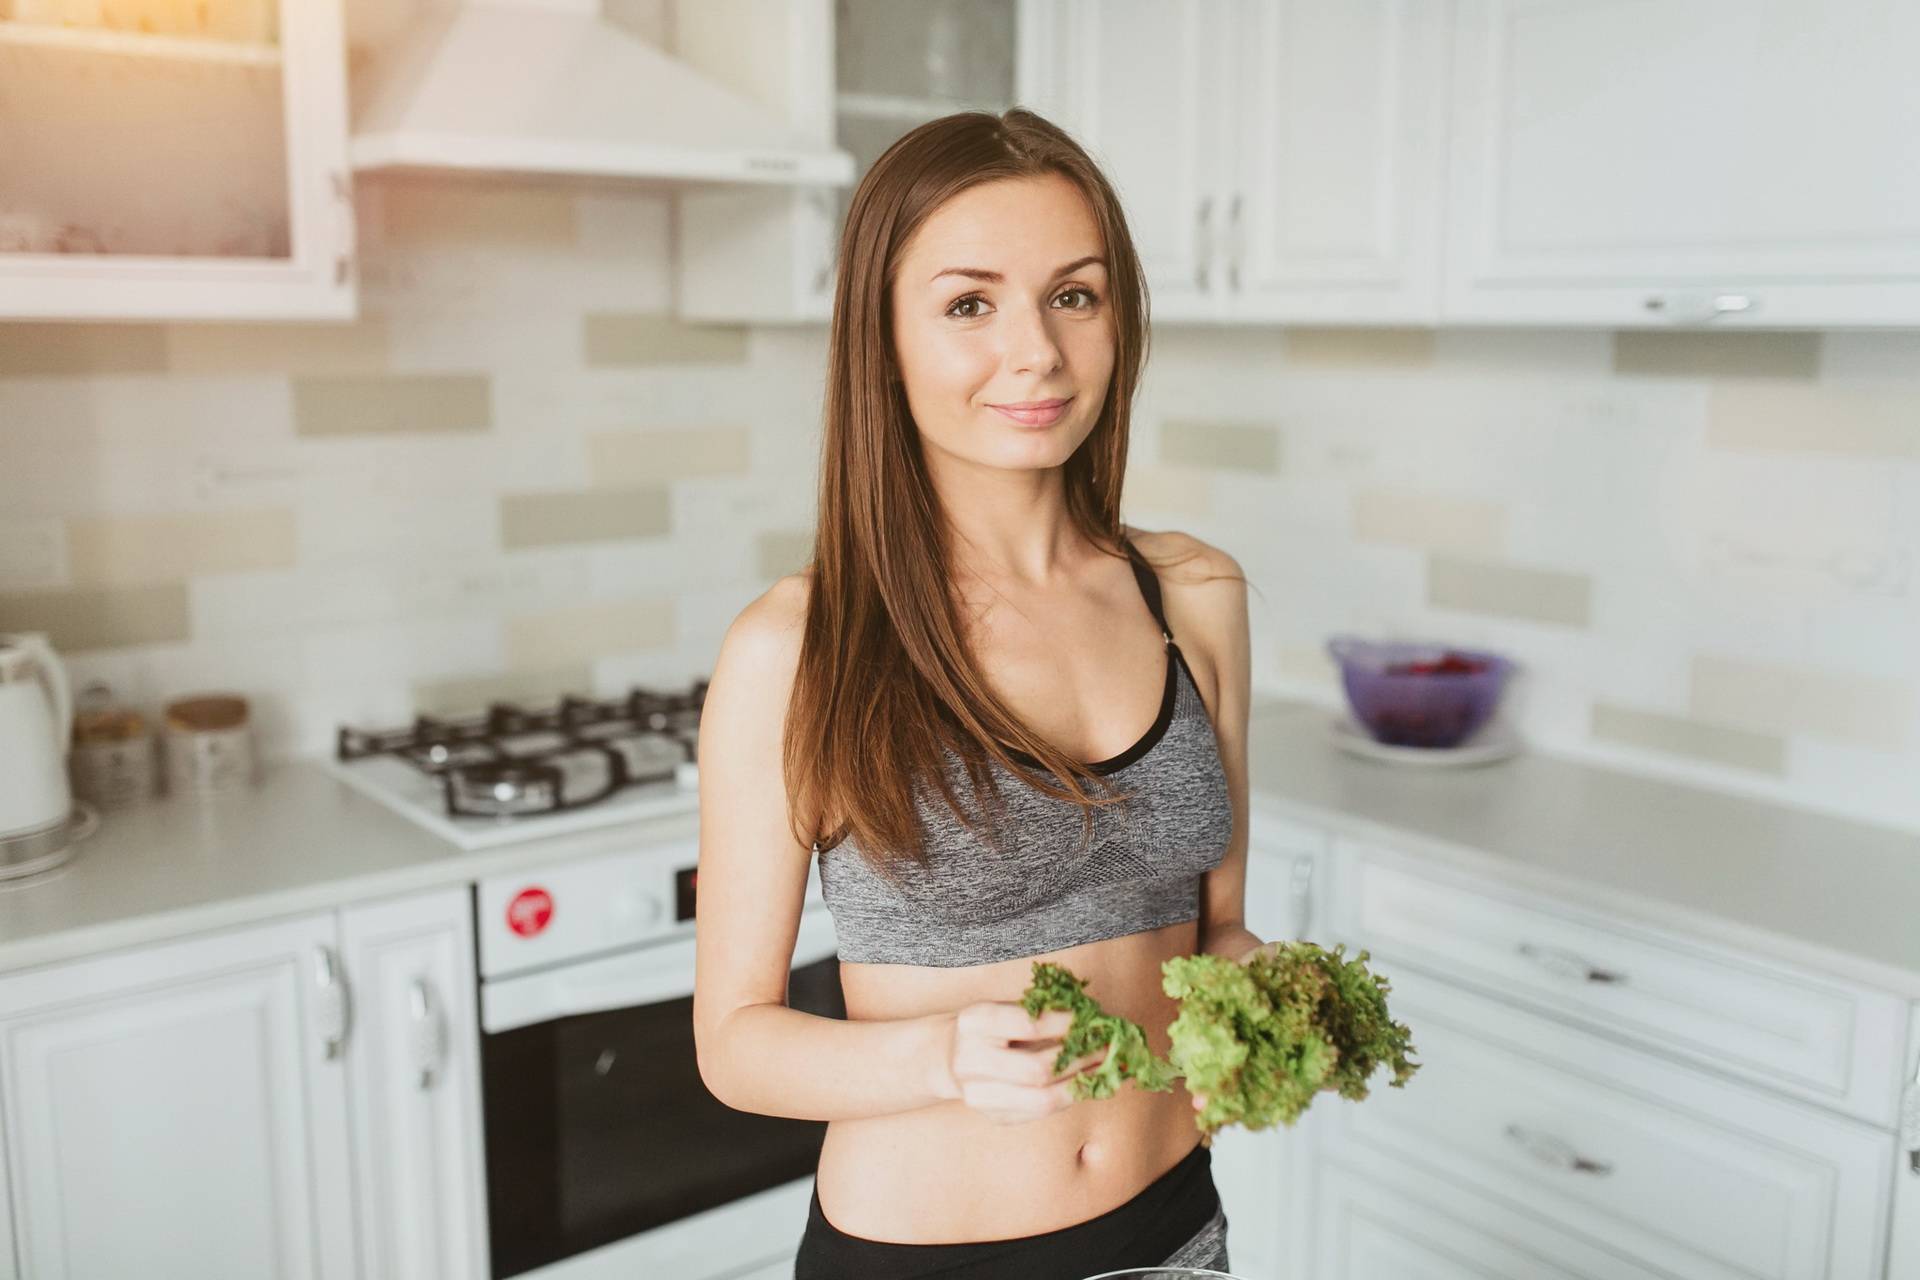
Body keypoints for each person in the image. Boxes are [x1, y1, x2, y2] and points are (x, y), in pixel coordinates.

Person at [692, 107, 1270, 1279]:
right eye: (969, 304)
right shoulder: (800, 648)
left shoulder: (1194, 595)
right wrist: (944, 1057)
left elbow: (1217, 931)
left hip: (1179, 1234)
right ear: (885, 339)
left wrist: (1259, 991)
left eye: (1075, 295)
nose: (1039, 353)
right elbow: (733, 1045)